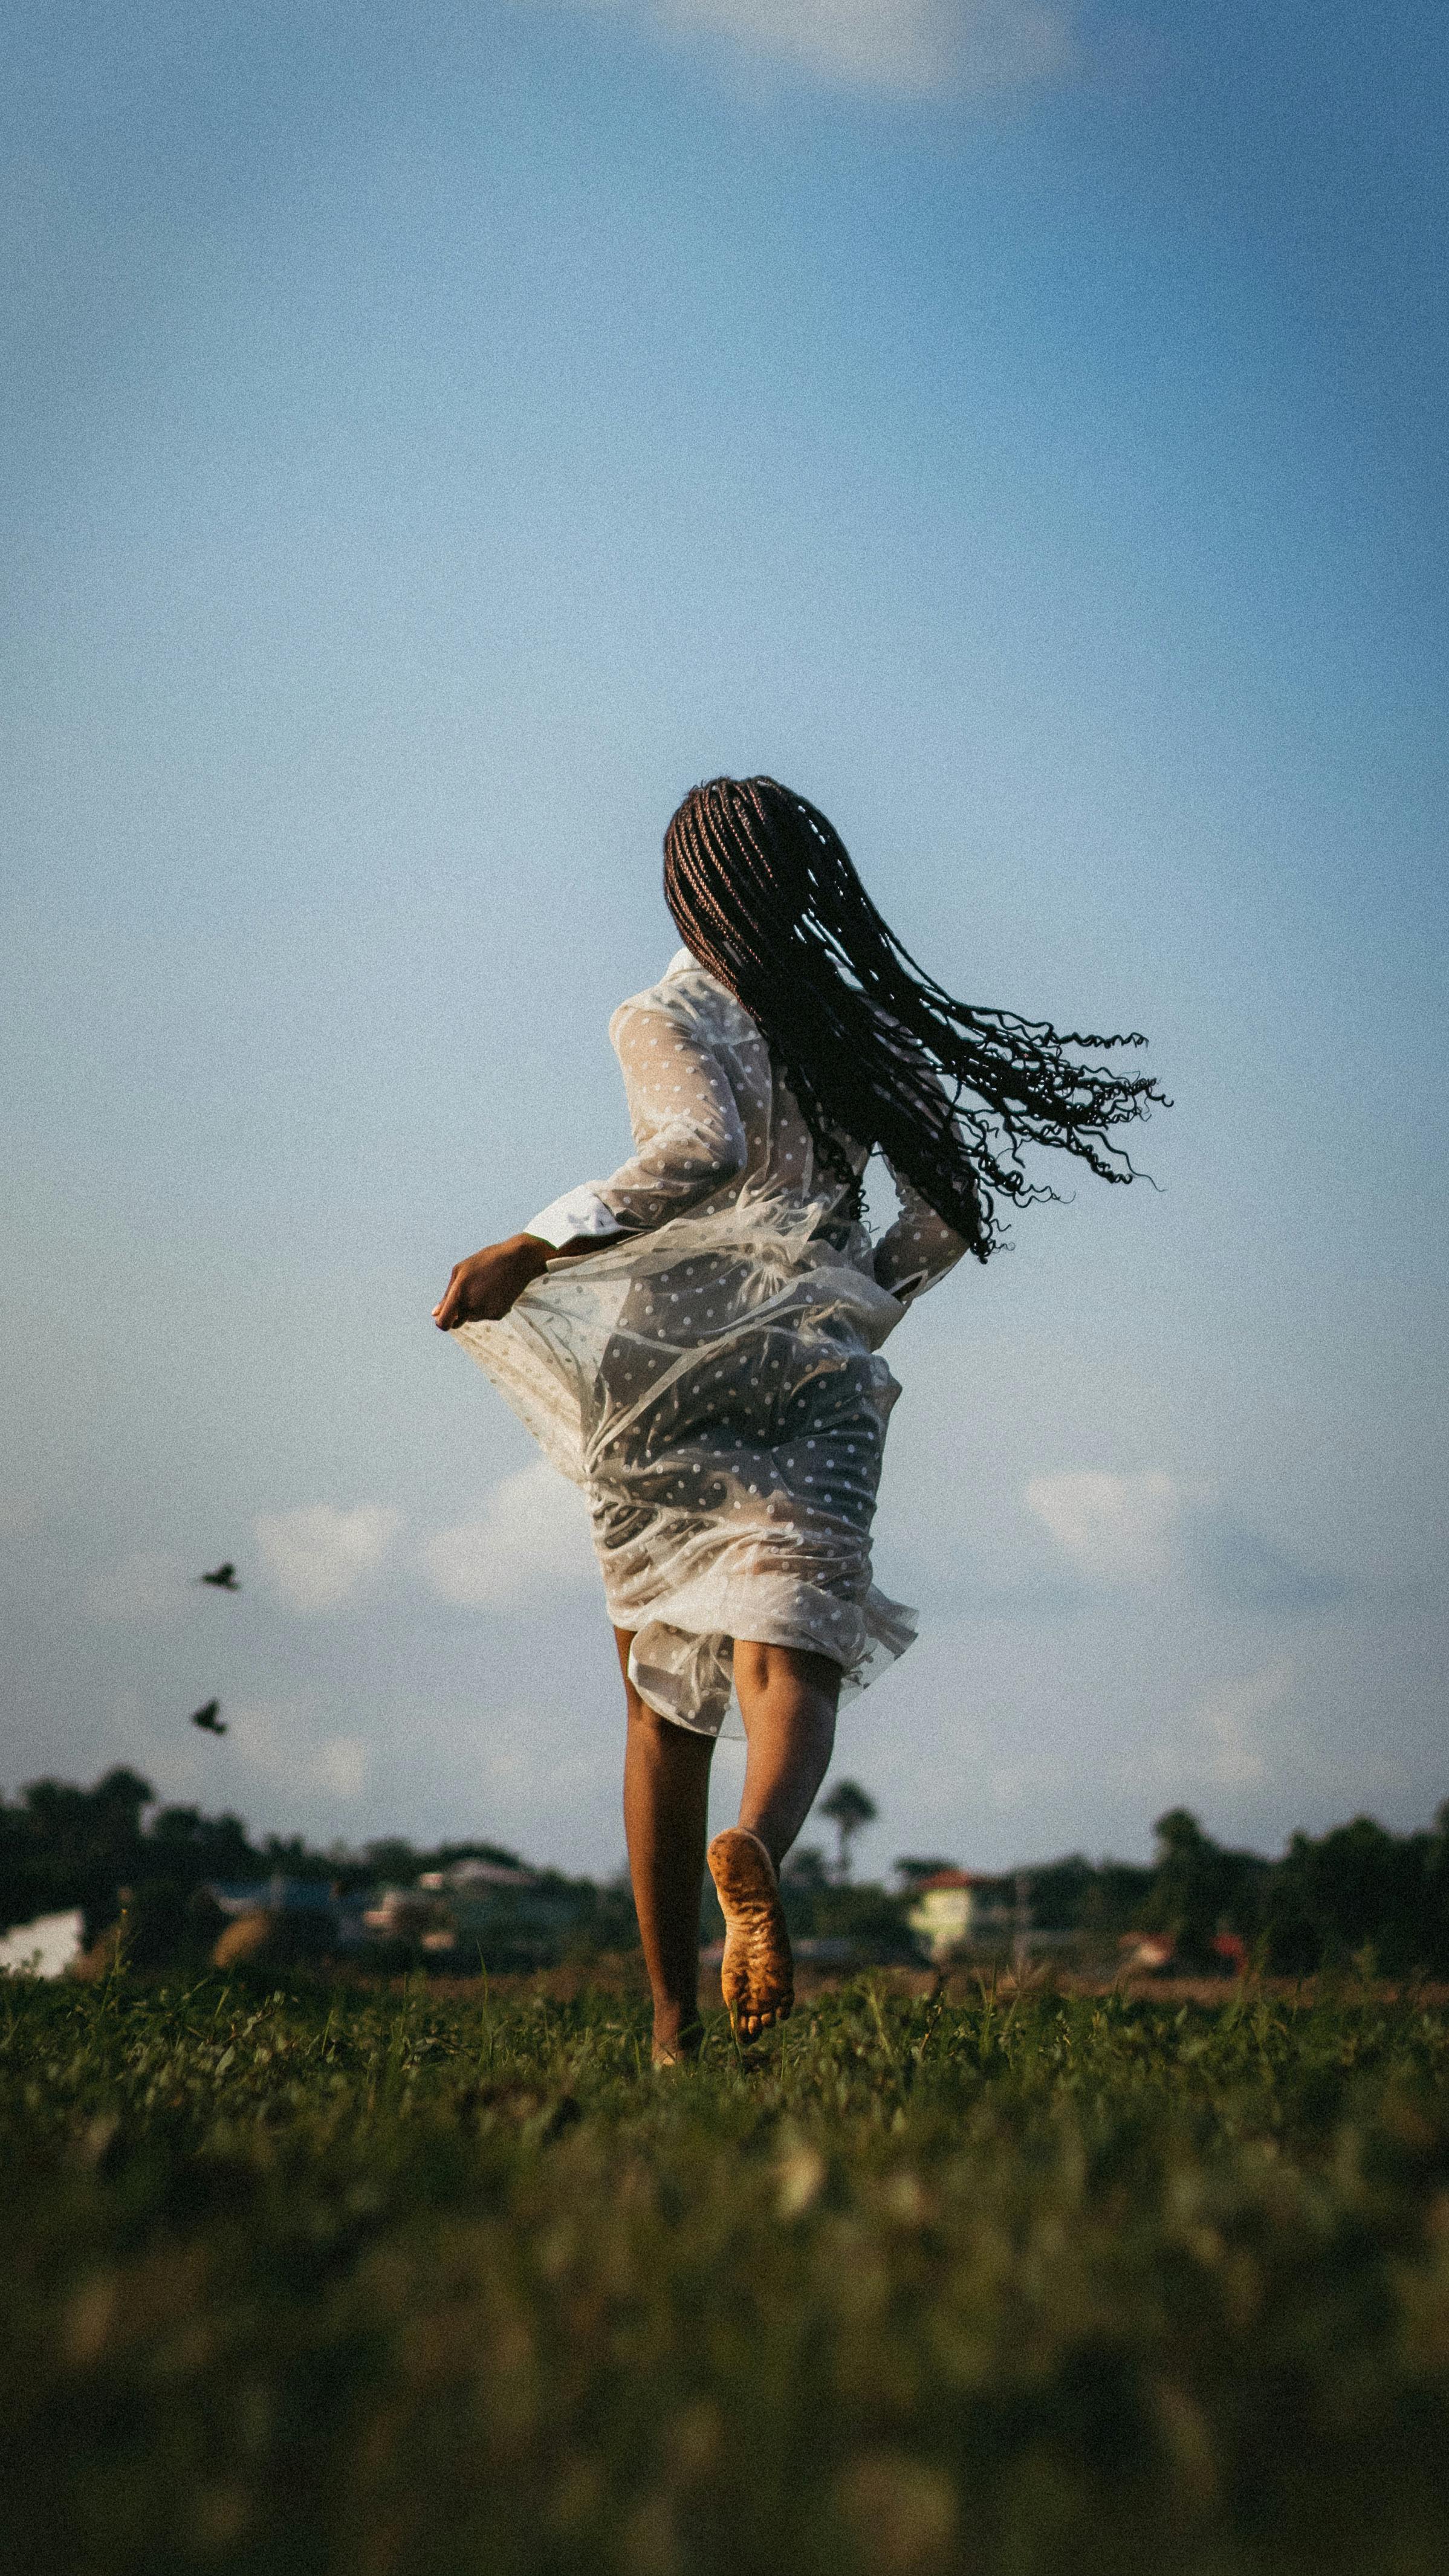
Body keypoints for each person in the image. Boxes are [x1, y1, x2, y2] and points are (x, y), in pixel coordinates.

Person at [433, 776, 1164, 2062]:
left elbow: (700, 1146)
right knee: (794, 1655)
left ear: (681, 888)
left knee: (660, 1712)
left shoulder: (661, 1014)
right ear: (803, 889)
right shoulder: (860, 1030)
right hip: (815, 1370)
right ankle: (755, 1850)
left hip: (663, 1373)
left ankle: (669, 2028)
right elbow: (947, 1203)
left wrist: (533, 1242)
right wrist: (855, 1294)